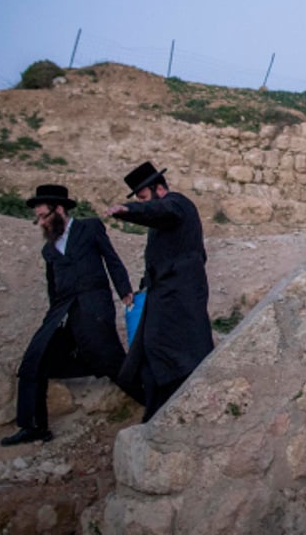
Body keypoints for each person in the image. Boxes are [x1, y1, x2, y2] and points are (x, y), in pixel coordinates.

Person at [2, 184, 140, 446]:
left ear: (60, 209)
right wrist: (52, 321)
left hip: (94, 307)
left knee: (111, 362)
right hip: (61, 312)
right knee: (33, 361)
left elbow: (111, 259)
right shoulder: (49, 250)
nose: (41, 222)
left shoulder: (89, 228)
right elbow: (52, 286)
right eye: (39, 218)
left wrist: (125, 290)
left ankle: (153, 401)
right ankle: (33, 426)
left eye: (44, 216)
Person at [106, 162, 214, 422]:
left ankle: (172, 417)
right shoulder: (163, 218)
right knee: (154, 357)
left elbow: (161, 211)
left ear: (158, 189)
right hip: (165, 298)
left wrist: (130, 210)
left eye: (144, 198)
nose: (144, 204)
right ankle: (157, 418)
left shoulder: (177, 204)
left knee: (175, 357)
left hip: (179, 300)